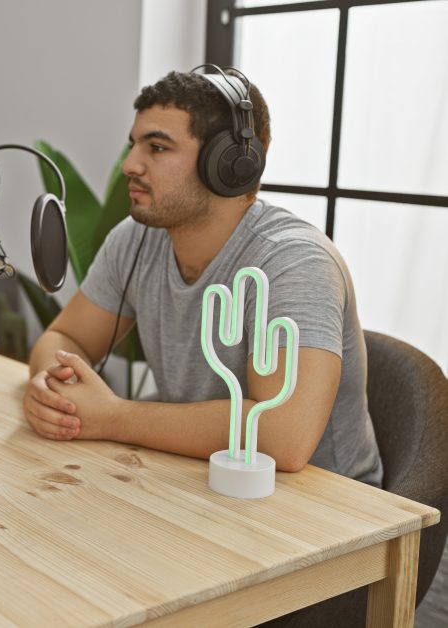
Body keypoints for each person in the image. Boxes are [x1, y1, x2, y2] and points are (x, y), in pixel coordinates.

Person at [22, 67, 382, 486]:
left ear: (228, 165)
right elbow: (67, 339)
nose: (129, 165)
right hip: (198, 480)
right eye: (133, 145)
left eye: (157, 147)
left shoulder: (294, 261)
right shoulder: (137, 238)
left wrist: (114, 416)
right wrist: (54, 394)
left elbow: (284, 437)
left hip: (324, 510)